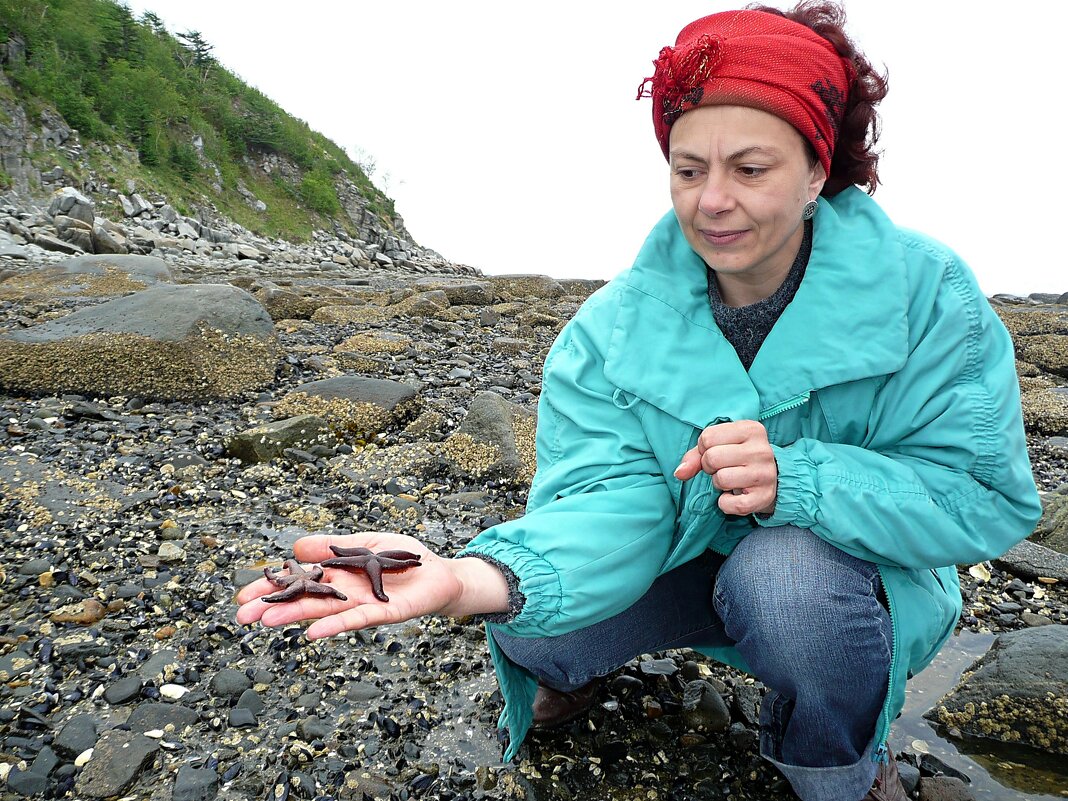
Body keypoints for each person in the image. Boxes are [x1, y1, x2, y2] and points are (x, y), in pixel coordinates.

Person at [236, 3, 1042, 799]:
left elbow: (983, 494)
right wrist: (466, 579)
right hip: (673, 559)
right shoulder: (607, 333)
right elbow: (606, 502)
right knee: (527, 615)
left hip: (840, 585)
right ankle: (566, 670)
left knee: (785, 577)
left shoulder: (932, 297)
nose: (711, 201)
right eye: (689, 170)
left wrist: (798, 482)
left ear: (817, 171)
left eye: (750, 169)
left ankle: (835, 762)